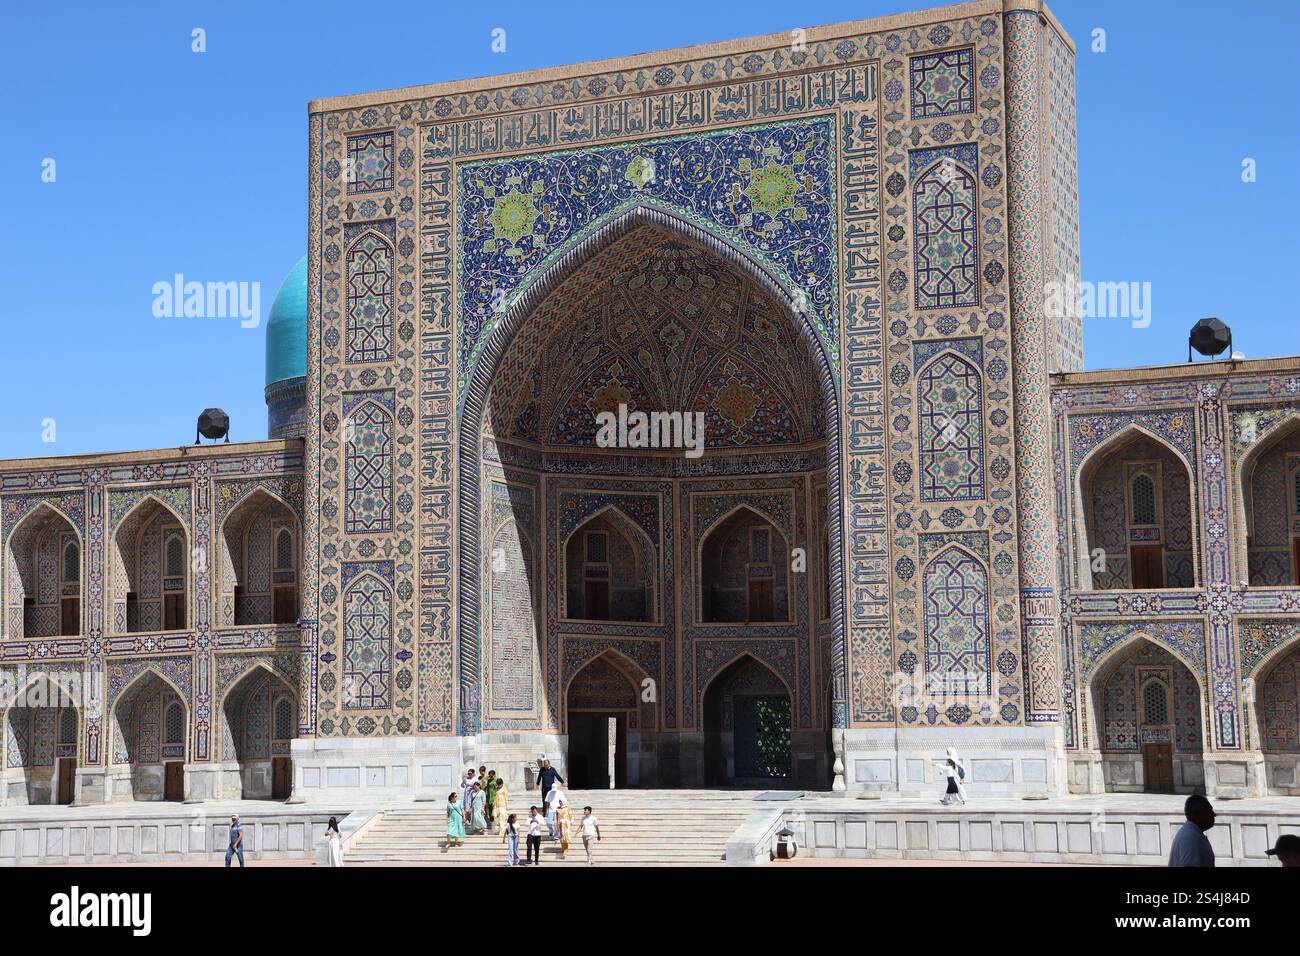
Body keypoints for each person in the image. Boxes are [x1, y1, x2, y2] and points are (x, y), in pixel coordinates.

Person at [1169, 793, 1216, 867]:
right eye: (1209, 811)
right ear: (1198, 815)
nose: (1214, 814)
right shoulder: (1190, 837)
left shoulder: (1193, 834)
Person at [555, 792, 573, 857]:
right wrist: (556, 824)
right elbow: (556, 818)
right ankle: (563, 848)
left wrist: (570, 823)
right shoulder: (557, 809)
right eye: (559, 801)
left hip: (566, 824)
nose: (560, 802)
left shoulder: (568, 808)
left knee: (566, 837)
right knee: (561, 836)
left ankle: (565, 849)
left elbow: (571, 816)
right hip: (560, 824)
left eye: (561, 801)